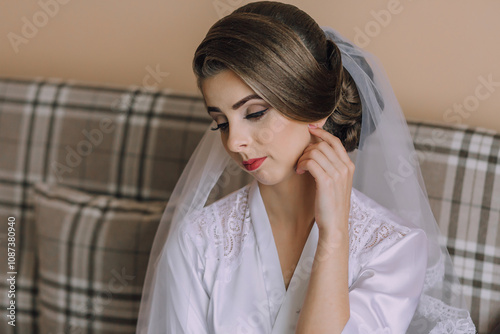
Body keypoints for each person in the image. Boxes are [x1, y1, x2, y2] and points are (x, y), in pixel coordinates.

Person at [136, 1, 476, 333]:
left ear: (315, 107)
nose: (233, 141)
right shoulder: (198, 241)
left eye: (254, 113)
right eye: (221, 122)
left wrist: (334, 237)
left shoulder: (395, 249)